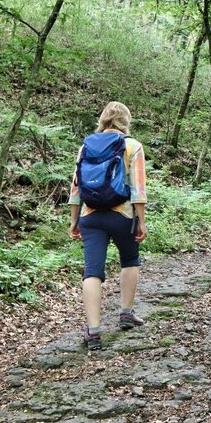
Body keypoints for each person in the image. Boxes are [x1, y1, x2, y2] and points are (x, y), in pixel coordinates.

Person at [68, 102, 148, 350]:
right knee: (130, 260)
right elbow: (138, 189)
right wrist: (141, 220)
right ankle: (125, 313)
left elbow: (76, 186)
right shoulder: (132, 146)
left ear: (103, 119)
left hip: (90, 216)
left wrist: (74, 220)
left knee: (92, 271)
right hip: (121, 215)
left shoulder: (86, 146)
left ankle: (93, 332)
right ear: (126, 120)